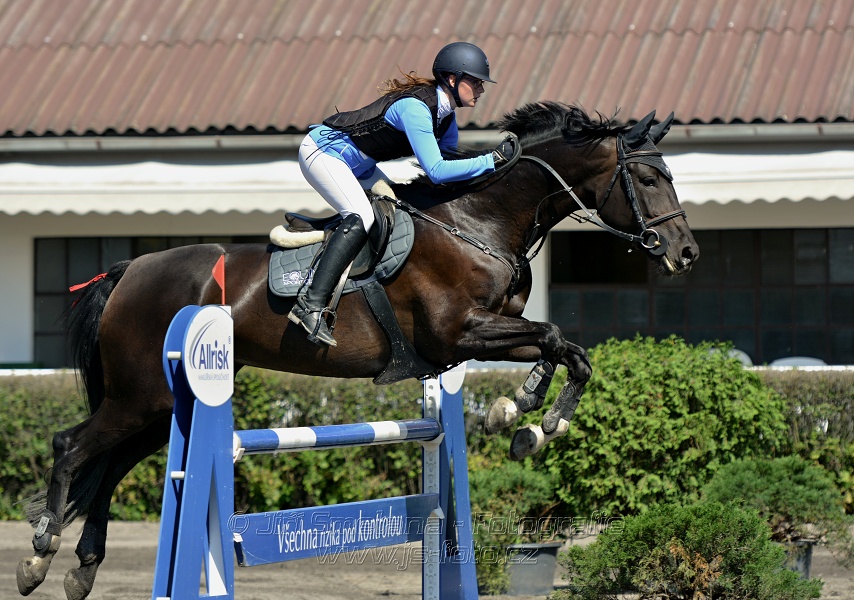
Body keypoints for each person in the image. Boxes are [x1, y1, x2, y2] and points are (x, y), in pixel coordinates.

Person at [289, 41, 516, 347]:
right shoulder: (416, 109)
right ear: (452, 79)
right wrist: (491, 160)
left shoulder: (445, 117)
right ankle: (310, 305)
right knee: (361, 216)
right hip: (324, 152)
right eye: (475, 81)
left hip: (360, 164)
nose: (481, 89)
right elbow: (436, 170)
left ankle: (323, 229)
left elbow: (452, 164)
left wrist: (495, 166)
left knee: (396, 209)